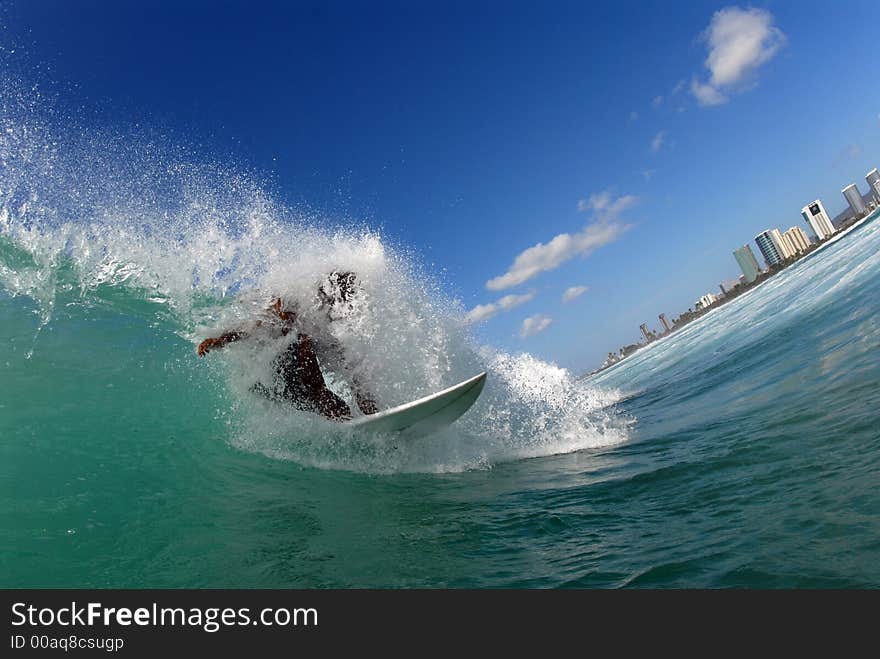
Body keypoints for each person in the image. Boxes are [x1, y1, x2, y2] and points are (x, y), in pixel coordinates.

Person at [197, 275, 378, 420]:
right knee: (336, 406)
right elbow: (250, 330)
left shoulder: (320, 321)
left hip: (293, 380)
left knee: (350, 380)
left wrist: (374, 413)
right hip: (275, 382)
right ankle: (342, 415)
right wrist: (218, 341)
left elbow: (347, 366)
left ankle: (369, 412)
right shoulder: (290, 313)